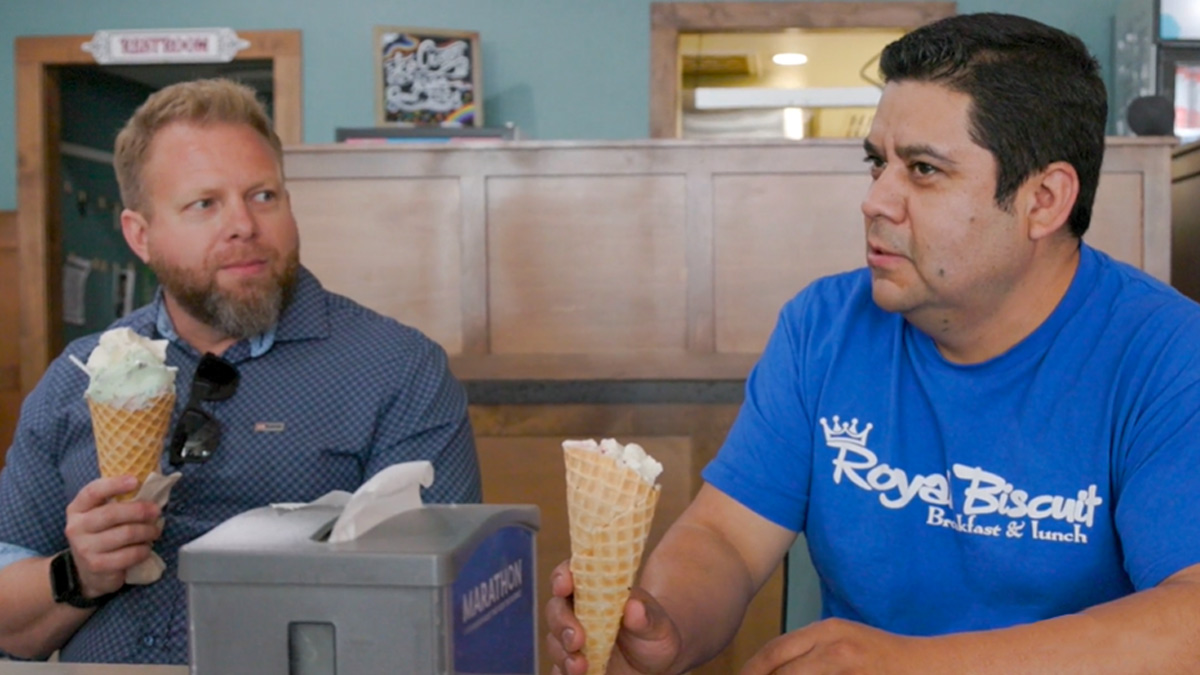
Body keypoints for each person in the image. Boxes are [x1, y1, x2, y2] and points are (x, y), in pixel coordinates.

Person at [546, 12, 1200, 674]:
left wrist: (915, 664)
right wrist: (666, 624)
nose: (876, 200)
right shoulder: (824, 326)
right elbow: (726, 538)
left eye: (922, 170)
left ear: (1045, 199)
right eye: (877, 163)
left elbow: (1191, 618)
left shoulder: (1167, 355)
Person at [0, 78, 482, 664]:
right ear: (140, 235)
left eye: (263, 196)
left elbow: (448, 612)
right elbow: (9, 625)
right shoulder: (76, 377)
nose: (244, 225)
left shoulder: (398, 371)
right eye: (205, 204)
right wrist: (78, 573)